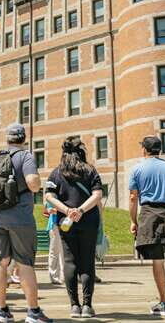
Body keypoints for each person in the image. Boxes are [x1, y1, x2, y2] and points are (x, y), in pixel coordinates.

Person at [0, 124, 52, 323]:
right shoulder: (25, 156)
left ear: (7, 139)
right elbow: (33, 183)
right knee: (25, 263)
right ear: (23, 139)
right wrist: (38, 183)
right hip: (20, 219)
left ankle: (2, 311)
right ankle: (33, 312)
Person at [129, 136, 165, 317]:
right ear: (159, 150)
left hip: (148, 213)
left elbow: (133, 198)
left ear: (144, 150)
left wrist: (133, 221)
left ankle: (164, 304)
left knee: (157, 260)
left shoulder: (137, 168)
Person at [45, 137, 103, 319]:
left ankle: (74, 306)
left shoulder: (56, 172)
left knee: (69, 262)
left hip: (65, 223)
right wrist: (80, 210)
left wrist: (67, 210)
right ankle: (87, 305)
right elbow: (98, 194)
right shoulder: (90, 170)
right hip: (88, 221)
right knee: (87, 263)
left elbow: (48, 196)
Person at [44, 200, 65, 285]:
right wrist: (66, 210)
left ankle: (64, 276)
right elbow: (49, 210)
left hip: (65, 224)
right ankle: (54, 277)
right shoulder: (52, 195)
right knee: (55, 251)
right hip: (55, 225)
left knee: (63, 252)